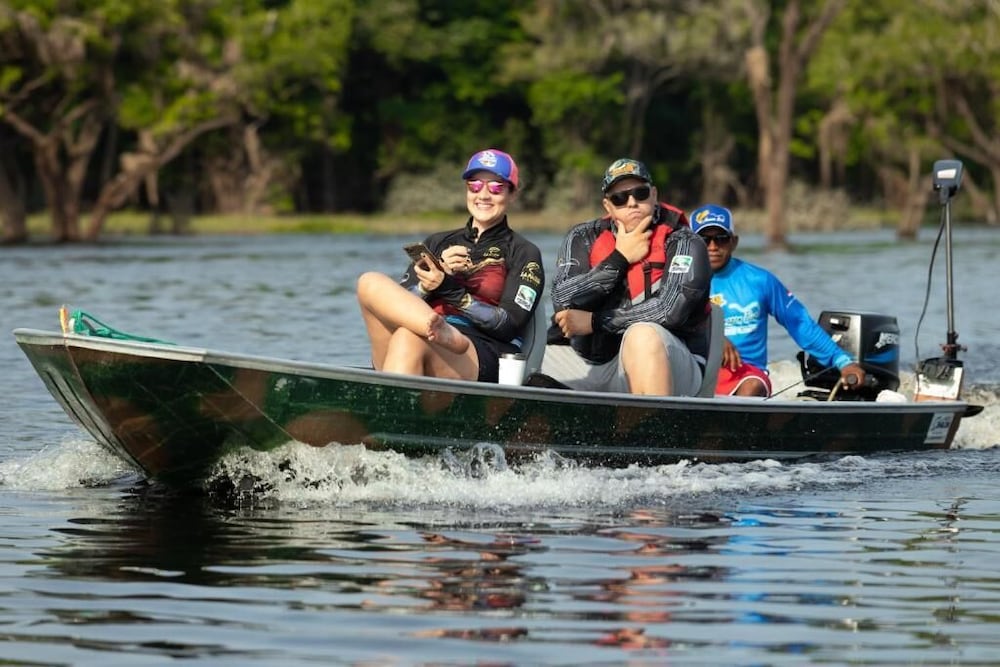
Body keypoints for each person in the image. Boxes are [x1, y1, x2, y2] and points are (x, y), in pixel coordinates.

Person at [356, 149, 544, 383]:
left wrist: (448, 288)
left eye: (496, 187)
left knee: (407, 338)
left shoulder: (524, 252)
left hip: (481, 349)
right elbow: (398, 304)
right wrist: (428, 284)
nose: (483, 195)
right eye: (475, 185)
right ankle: (430, 330)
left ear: (512, 193)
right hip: (422, 334)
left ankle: (443, 336)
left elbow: (508, 325)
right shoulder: (437, 242)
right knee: (369, 281)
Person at [540, 158, 712, 396]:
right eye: (620, 198)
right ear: (608, 206)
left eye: (640, 193)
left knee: (642, 336)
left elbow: (669, 310)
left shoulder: (685, 241)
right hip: (588, 360)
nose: (632, 202)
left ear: (654, 194)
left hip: (673, 362)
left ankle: (652, 419)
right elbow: (562, 298)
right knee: (515, 357)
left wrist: (594, 322)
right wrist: (619, 258)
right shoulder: (582, 236)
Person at [690, 203, 866, 397]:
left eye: (721, 238)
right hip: (696, 368)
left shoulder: (760, 280)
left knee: (751, 388)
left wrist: (843, 362)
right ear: (691, 244)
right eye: (704, 240)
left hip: (745, 374)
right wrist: (715, 338)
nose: (713, 247)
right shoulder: (677, 281)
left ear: (734, 242)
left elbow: (799, 323)